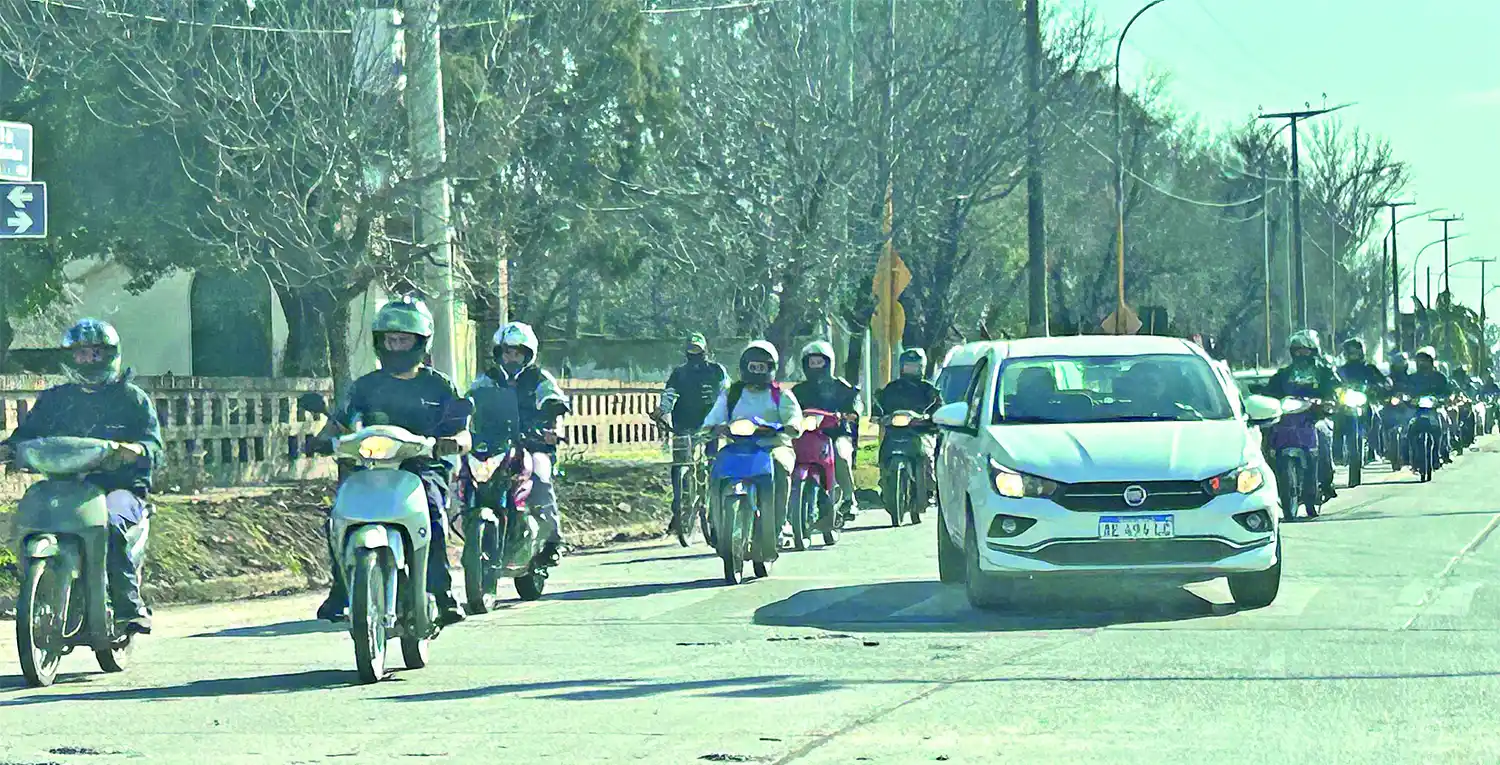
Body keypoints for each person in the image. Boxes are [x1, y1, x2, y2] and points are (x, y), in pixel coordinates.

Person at [314, 297, 470, 627]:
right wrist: (319, 440)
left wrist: (455, 442)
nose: (396, 346)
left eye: (404, 340)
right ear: (380, 342)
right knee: (337, 518)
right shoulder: (365, 386)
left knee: (433, 514)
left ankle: (441, 593)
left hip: (423, 467)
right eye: (391, 340)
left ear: (421, 342)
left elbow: (463, 431)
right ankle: (341, 590)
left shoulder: (439, 385)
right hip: (371, 468)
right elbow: (339, 422)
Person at [0, 319, 161, 635]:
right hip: (65, 486)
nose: (89, 360)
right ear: (70, 357)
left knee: (111, 525)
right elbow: (27, 434)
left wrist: (136, 450)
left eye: (96, 353)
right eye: (82, 353)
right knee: (31, 516)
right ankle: (41, 587)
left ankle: (129, 607)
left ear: (110, 355)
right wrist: (8, 450)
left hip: (120, 489)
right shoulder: (55, 400)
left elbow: (154, 446)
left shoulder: (133, 399)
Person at [467, 321, 570, 566]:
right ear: (498, 353)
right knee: (471, 476)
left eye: (517, 353)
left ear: (528, 355)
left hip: (533, 445)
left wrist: (554, 428)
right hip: (495, 444)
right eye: (507, 352)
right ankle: (469, 522)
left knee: (541, 478)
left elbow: (554, 402)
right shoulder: (487, 379)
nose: (511, 358)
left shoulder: (539, 378)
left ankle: (553, 541)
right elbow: (469, 402)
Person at [702, 341, 803, 565]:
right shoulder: (731, 393)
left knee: (779, 467)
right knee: (716, 469)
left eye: (761, 367)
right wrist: (712, 427)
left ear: (771, 368)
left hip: (773, 445)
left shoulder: (780, 394)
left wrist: (790, 426)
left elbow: (794, 418)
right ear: (744, 367)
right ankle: (715, 521)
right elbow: (714, 417)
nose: (757, 371)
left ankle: (779, 525)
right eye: (753, 367)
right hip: (737, 446)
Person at [652, 333, 728, 534]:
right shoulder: (679, 373)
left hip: (710, 426)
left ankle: (715, 511)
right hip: (683, 425)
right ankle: (679, 509)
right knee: (680, 466)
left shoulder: (717, 371)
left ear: (705, 350)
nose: (694, 353)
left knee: (713, 464)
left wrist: (727, 418)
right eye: (691, 349)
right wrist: (662, 409)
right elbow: (669, 394)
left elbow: (726, 393)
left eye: (697, 349)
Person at [791, 340, 862, 526]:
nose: (815, 366)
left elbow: (855, 403)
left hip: (837, 433)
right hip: (808, 435)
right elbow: (788, 408)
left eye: (819, 362)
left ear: (829, 363)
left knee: (840, 454)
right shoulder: (798, 390)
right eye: (812, 362)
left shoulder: (842, 386)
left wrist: (851, 413)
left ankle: (849, 499)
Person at [1263, 330, 1340, 502]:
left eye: (1305, 350)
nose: (1301, 354)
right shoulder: (1284, 374)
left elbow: (1335, 389)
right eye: (1297, 350)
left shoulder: (1324, 372)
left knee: (1323, 436)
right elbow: (1270, 392)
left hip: (1316, 418)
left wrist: (1328, 401)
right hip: (1288, 420)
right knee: (1269, 438)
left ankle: (1325, 482)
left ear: (1314, 351)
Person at [873, 348, 943, 509]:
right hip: (895, 432)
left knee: (927, 456)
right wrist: (877, 415)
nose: (910, 369)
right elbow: (879, 403)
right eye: (907, 366)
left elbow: (938, 407)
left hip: (921, 432)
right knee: (883, 454)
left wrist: (930, 417)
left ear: (921, 368)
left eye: (914, 366)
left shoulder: (929, 390)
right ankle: (885, 483)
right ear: (901, 367)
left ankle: (930, 489)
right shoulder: (891, 388)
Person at [1334, 339, 1390, 466]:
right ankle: (1336, 453)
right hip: (1346, 402)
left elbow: (1383, 382)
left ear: (1361, 352)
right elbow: (1332, 383)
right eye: (1351, 352)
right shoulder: (1341, 370)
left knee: (1376, 418)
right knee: (1335, 421)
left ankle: (1374, 450)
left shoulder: (1369, 369)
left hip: (1365, 401)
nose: (1353, 354)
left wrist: (1378, 387)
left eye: (1356, 351)